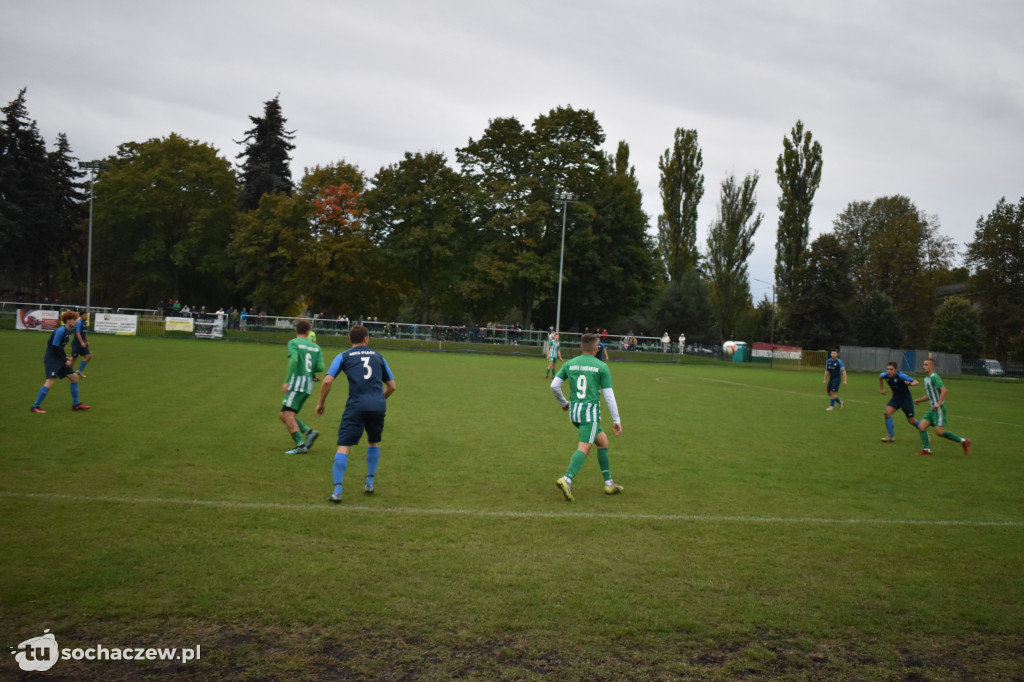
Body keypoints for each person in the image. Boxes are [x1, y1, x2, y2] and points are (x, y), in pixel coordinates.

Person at [316, 324, 397, 503]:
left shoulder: (343, 356)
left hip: (356, 406)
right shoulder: (378, 356)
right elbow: (392, 386)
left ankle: (337, 490)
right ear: (366, 339)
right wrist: (379, 400)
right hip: (377, 405)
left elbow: (327, 381)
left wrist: (321, 402)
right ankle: (369, 482)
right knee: (373, 442)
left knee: (344, 446)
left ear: (350, 339)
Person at [550, 333, 623, 501]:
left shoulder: (570, 363)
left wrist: (563, 403)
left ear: (581, 346)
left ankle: (609, 483)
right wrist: (616, 420)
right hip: (589, 414)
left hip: (574, 412)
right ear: (597, 348)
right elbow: (609, 396)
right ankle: (567, 479)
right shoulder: (601, 367)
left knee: (603, 441)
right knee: (584, 447)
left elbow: (554, 385)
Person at [280, 320, 324, 454]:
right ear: (308, 332)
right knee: (284, 414)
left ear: (296, 330)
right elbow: (320, 367)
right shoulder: (316, 347)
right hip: (308, 385)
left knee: (287, 413)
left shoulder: (293, 343)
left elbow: (294, 359)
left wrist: (287, 381)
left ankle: (300, 445)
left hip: (297, 383)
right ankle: (309, 432)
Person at [31, 310, 89, 413]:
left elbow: (60, 348)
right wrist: (64, 360)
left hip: (58, 358)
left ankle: (76, 405)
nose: (76, 321)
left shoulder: (68, 331)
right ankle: (35, 407)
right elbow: (54, 347)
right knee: (50, 381)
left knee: (74, 377)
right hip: (52, 359)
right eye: (73, 320)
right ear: (67, 321)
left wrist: (66, 358)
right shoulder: (61, 331)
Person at [913, 358, 970, 456]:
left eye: (926, 365)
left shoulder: (935, 377)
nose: (924, 366)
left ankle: (963, 441)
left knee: (939, 432)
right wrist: (919, 400)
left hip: (938, 409)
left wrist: (938, 403)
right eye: (923, 364)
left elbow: (944, 390)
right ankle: (926, 450)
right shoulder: (926, 379)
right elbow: (929, 395)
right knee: (921, 426)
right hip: (932, 409)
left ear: (932, 366)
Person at [879, 361, 921, 444]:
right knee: (887, 413)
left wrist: (910, 384)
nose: (889, 371)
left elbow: (916, 381)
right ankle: (891, 436)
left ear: (896, 370)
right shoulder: (885, 375)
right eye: (888, 369)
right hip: (895, 398)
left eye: (891, 369)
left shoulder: (901, 376)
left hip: (906, 399)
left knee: (911, 420)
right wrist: (882, 388)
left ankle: (924, 432)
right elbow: (880, 377)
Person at [72, 311, 92, 377]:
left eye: (87, 315)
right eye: (85, 315)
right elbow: (77, 333)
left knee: (88, 356)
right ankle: (68, 372)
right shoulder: (79, 323)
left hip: (82, 343)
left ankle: (79, 371)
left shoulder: (85, 323)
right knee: (74, 359)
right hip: (77, 343)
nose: (86, 317)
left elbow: (85, 333)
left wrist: (87, 341)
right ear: (80, 316)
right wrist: (81, 342)